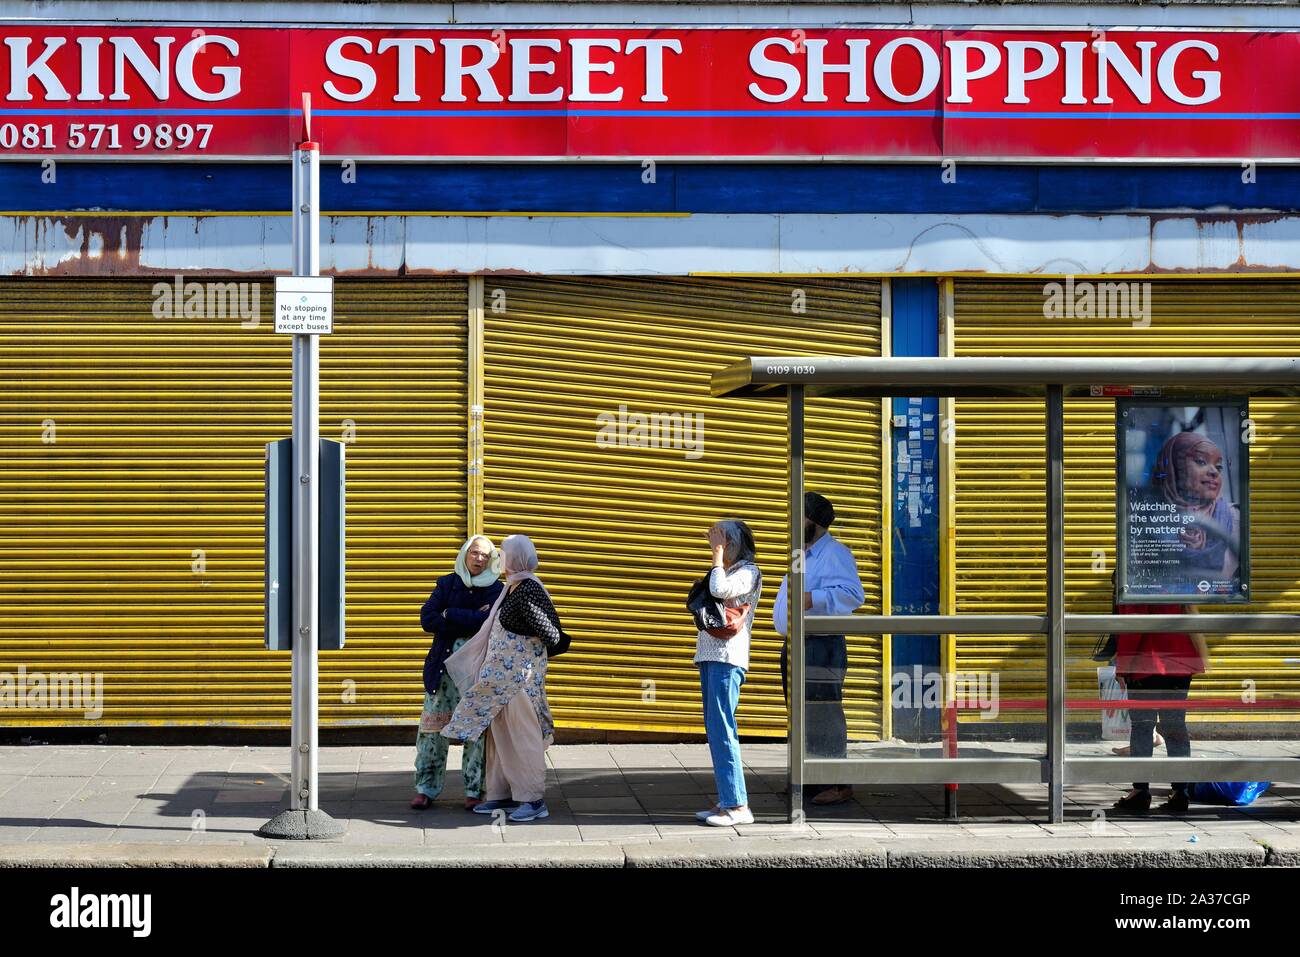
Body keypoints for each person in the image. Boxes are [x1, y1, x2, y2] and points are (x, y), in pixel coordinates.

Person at [441, 534, 560, 823]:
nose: (499, 558)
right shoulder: (513, 586)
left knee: (522, 739)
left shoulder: (528, 589)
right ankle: (503, 795)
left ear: (517, 558)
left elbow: (552, 634)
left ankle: (532, 800)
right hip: (499, 683)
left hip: (518, 683)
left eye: (504, 553)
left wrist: (523, 651)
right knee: (500, 742)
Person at [774, 491, 865, 807]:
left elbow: (854, 594)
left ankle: (839, 783)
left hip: (822, 644)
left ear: (814, 521)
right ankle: (811, 778)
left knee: (825, 714)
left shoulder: (836, 553)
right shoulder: (802, 552)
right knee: (801, 715)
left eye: (799, 516)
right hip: (796, 644)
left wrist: (813, 599)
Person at [411, 535, 504, 811]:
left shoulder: (496, 590)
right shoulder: (446, 583)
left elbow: (491, 624)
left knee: (476, 731)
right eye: (475, 553)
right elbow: (428, 619)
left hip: (476, 674)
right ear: (465, 554)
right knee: (431, 731)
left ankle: (474, 790)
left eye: (485, 555)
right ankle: (425, 789)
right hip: (442, 670)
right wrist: (463, 615)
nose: (479, 559)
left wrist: (449, 615)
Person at [694, 519, 763, 828]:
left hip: (728, 658)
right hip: (711, 656)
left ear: (733, 546)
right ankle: (725, 801)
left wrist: (717, 554)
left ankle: (738, 805)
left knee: (723, 729)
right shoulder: (731, 570)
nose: (716, 548)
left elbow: (719, 589)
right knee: (715, 729)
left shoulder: (748, 572)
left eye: (723, 543)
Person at [1111, 601, 1208, 814]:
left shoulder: (1140, 576)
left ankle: (1140, 791)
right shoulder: (1175, 574)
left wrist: (1123, 664)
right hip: (1180, 658)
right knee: (1175, 726)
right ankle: (1181, 791)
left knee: (1143, 726)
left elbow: (1134, 624)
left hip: (1147, 659)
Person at [1149, 431, 1241, 583]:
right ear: (1174, 468)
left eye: (1219, 467)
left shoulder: (1237, 519)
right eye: (1201, 461)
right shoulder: (1144, 524)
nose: (1214, 472)